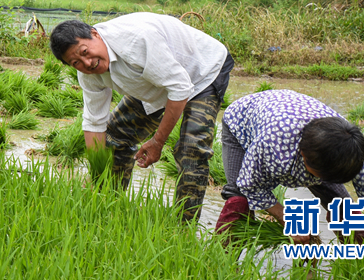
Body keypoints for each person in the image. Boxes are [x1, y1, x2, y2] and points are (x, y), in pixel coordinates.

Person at [50, 13, 233, 220]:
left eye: (85, 51)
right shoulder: (87, 73)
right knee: (115, 135)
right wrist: (98, 173)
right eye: (76, 62)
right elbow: (94, 122)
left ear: (95, 34)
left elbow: (180, 88)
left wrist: (157, 142)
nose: (87, 62)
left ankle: (182, 229)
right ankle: (106, 206)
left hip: (202, 71)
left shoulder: (136, 41)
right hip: (155, 78)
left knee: (191, 149)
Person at [216, 89, 364, 244]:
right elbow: (249, 184)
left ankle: (363, 260)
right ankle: (223, 261)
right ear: (303, 156)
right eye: (318, 176)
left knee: (342, 207)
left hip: (294, 118)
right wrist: (285, 218)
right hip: (241, 122)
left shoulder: (350, 148)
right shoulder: (274, 145)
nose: (320, 181)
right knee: (239, 199)